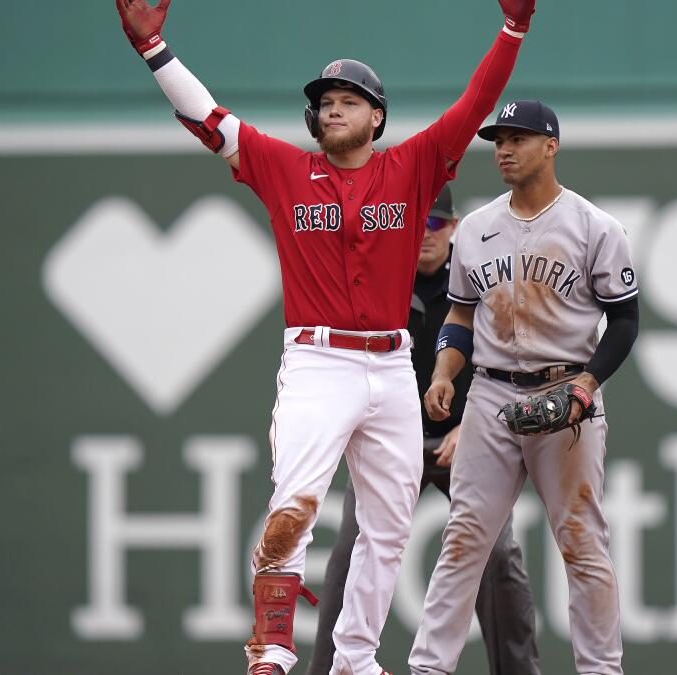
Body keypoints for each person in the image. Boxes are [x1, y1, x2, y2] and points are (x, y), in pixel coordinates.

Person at [112, 2, 538, 674]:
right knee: (296, 501)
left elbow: (475, 101)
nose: (332, 109)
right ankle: (271, 649)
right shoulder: (284, 167)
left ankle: (356, 659)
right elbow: (210, 121)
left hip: (392, 365)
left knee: (390, 520)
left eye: (348, 100)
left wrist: (513, 28)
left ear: (378, 117)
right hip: (318, 360)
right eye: (325, 102)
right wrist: (154, 48)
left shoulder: (414, 166)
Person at [408, 100, 639, 675]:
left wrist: (588, 383)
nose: (504, 149)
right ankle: (429, 668)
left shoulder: (594, 228)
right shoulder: (480, 227)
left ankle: (600, 669)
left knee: (581, 541)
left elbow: (625, 321)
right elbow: (460, 315)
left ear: (551, 146)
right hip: (489, 391)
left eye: (518, 138)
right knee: (464, 538)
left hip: (566, 392)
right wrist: (443, 373)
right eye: (499, 140)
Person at [306, 185, 541, 675]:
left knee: (497, 556)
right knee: (349, 552)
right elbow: (347, 369)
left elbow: (513, 367)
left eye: (438, 224)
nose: (428, 235)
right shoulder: (374, 283)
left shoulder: (483, 281)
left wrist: (475, 427)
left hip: (467, 442)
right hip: (392, 443)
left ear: (454, 228)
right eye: (419, 225)